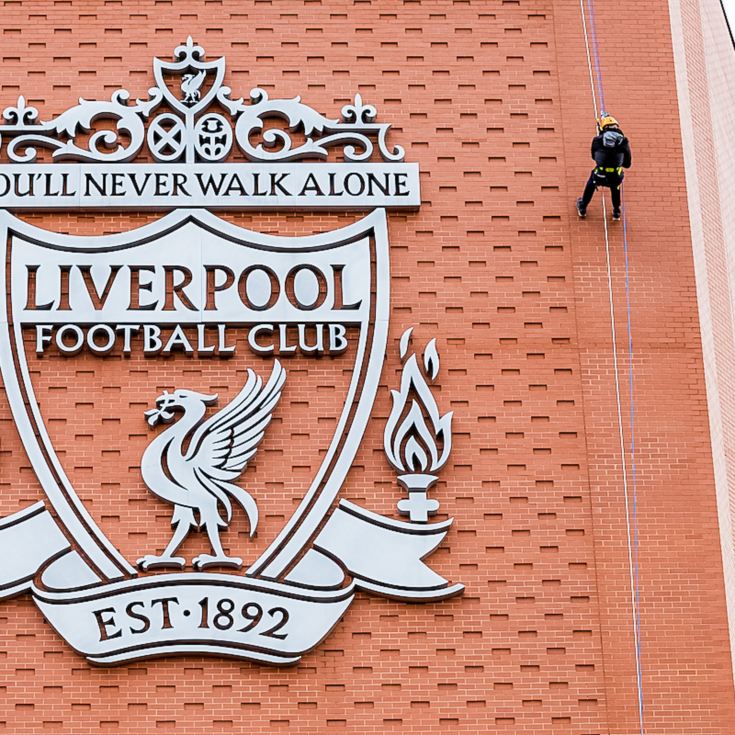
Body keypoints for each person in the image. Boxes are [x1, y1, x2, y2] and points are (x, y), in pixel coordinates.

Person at [576, 113, 632, 221]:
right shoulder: (623, 142)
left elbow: (594, 157)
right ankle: (616, 212)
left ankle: (582, 207)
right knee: (615, 188)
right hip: (615, 176)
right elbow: (627, 164)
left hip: (600, 174)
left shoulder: (597, 140)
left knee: (591, 183)